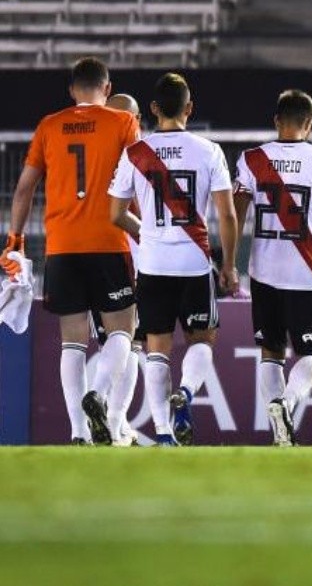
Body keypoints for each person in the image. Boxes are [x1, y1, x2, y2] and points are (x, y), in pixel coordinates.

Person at [0, 58, 139, 445]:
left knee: (72, 341)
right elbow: (140, 181)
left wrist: (15, 241)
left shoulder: (49, 125)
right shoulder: (123, 123)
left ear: (71, 89)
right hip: (110, 241)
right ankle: (97, 394)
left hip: (61, 245)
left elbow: (25, 187)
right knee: (122, 330)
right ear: (107, 89)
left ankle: (78, 433)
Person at [108, 73, 238, 446]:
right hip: (194, 263)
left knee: (156, 348)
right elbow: (227, 215)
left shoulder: (136, 153)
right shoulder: (209, 150)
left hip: (152, 265)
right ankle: (187, 391)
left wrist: (146, 233)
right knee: (202, 339)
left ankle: (164, 434)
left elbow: (115, 213)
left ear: (152, 109)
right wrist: (228, 264)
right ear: (189, 108)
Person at [233, 89, 312, 447]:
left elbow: (235, 212)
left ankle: (278, 432)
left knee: (271, 352)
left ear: (276, 121)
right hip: (306, 274)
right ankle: (288, 403)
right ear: (309, 124)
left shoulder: (252, 159)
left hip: (263, 271)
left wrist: (230, 262)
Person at [96, 93, 146, 446]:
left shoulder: (94, 153)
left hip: (90, 252)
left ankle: (112, 420)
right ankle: (114, 417)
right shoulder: (138, 154)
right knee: (130, 340)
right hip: (127, 251)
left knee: (114, 340)